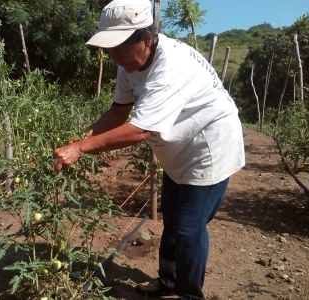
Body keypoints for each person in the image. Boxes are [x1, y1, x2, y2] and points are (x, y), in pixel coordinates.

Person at [53, 0, 245, 299]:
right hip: (177, 149)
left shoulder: (171, 66)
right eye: (110, 49)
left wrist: (79, 149)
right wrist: (77, 139)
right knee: (172, 221)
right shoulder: (129, 63)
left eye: (120, 48)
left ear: (146, 38)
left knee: (188, 229)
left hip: (209, 149)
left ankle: (189, 294)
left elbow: (141, 130)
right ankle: (167, 283)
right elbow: (119, 112)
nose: (115, 57)